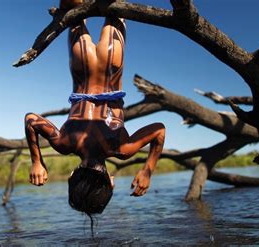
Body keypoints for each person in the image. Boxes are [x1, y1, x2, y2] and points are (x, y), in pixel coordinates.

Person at [25, 0, 165, 217]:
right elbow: (31, 120)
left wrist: (148, 170)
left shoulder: (120, 148)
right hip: (82, 65)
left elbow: (159, 130)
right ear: (72, 175)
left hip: (112, 63)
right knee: (74, 10)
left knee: (113, 7)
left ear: (111, 182)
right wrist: (36, 161)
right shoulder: (65, 143)